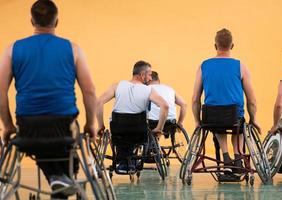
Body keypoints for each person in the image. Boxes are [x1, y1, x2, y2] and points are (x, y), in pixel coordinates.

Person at [0, 0, 97, 199]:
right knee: (63, 144)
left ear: (32, 21)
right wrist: (91, 124)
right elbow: (90, 91)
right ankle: (59, 178)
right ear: (57, 21)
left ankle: (58, 179)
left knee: (40, 140)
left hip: (28, 125)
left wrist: (7, 125)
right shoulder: (73, 49)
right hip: (63, 123)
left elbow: (0, 91)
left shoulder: (12, 50)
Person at [192, 28, 261, 177]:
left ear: (215, 46)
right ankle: (237, 156)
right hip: (234, 116)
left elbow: (195, 99)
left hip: (211, 117)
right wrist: (254, 120)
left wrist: (197, 121)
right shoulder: (241, 66)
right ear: (232, 46)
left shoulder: (204, 66)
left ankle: (225, 156)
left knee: (218, 123)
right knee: (239, 124)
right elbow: (252, 100)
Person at [97, 61, 168, 172]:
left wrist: (100, 126)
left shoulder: (117, 86)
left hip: (118, 131)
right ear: (142, 75)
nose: (150, 79)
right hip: (138, 133)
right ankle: (128, 160)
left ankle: (122, 161)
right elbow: (165, 106)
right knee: (135, 131)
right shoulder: (148, 90)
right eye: (149, 75)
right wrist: (159, 128)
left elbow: (99, 102)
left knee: (123, 133)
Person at [148, 71, 187, 136]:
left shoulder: (147, 89)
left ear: (148, 80)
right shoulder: (169, 89)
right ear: (158, 80)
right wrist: (180, 122)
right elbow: (184, 104)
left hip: (154, 123)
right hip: (171, 122)